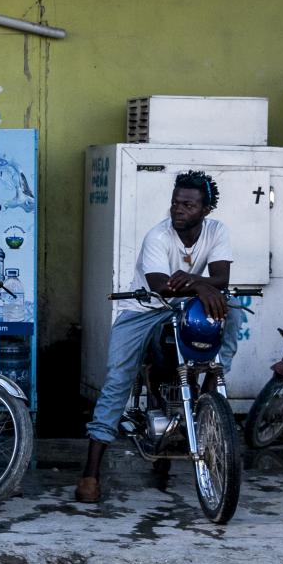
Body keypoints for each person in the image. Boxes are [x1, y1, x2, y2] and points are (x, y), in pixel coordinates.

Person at [78, 171, 238, 504]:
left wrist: (198, 284)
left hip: (186, 305)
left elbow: (222, 276)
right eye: (175, 203)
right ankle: (90, 473)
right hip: (144, 310)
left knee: (231, 314)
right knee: (117, 380)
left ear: (206, 209)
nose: (179, 209)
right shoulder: (158, 236)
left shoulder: (217, 231)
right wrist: (202, 284)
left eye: (189, 205)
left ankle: (210, 397)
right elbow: (159, 284)